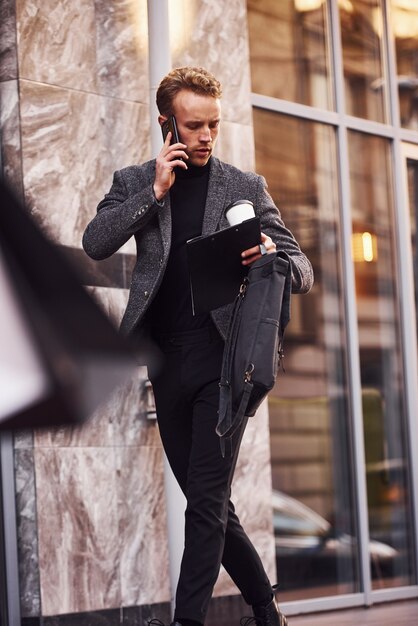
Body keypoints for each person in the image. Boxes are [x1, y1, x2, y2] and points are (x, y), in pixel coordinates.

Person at [82, 66, 313, 626]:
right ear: (167, 125)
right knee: (209, 505)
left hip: (225, 362)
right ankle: (265, 609)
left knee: (206, 504)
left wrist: (269, 254)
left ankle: (188, 621)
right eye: (193, 125)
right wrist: (154, 192)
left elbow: (301, 269)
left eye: (213, 123)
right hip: (165, 361)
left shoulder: (244, 186)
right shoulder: (136, 180)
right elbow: (95, 243)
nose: (207, 135)